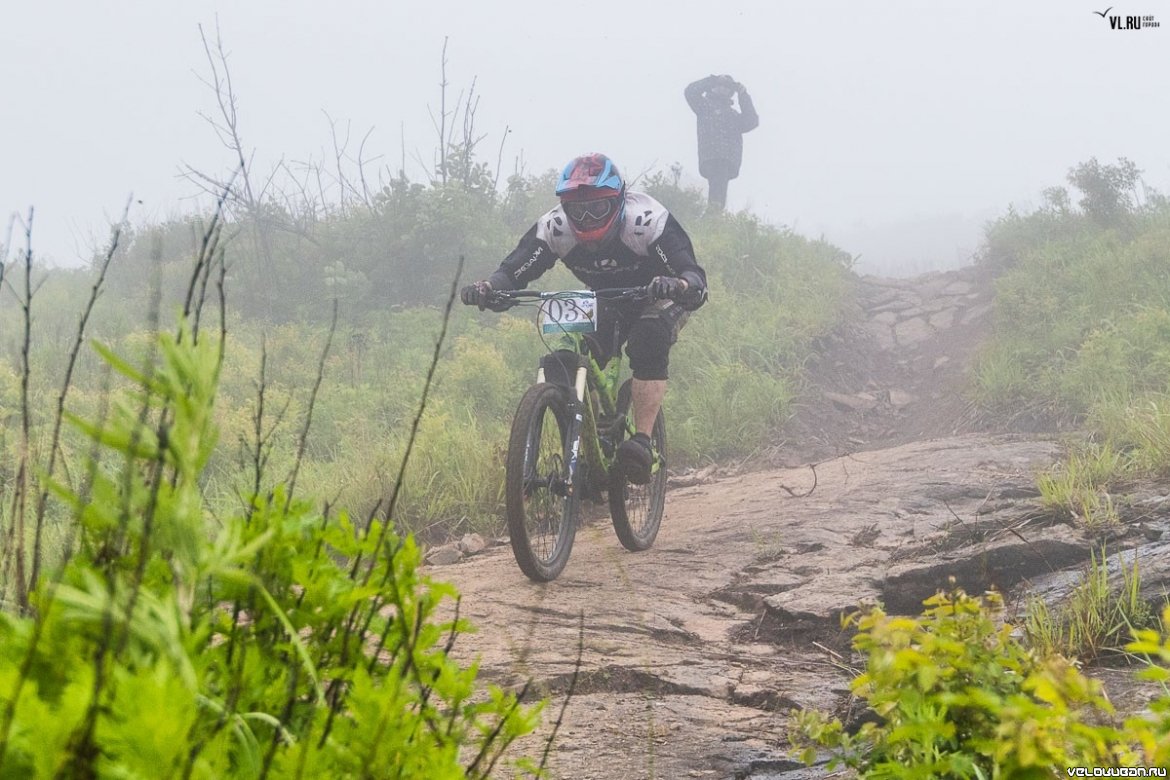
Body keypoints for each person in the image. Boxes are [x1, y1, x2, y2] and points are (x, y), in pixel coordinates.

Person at [461, 153, 708, 484]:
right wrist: (488, 288)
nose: (587, 218)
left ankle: (642, 442)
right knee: (563, 358)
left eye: (598, 208)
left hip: (662, 295)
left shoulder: (647, 221)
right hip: (607, 299)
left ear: (618, 201)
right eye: (578, 210)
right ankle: (583, 448)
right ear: (566, 208)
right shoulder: (555, 227)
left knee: (649, 338)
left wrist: (678, 284)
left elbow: (692, 274)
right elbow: (513, 271)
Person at [684, 74, 759, 211]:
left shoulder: (734, 115)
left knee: (719, 189)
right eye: (720, 85)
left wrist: (743, 96)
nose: (723, 89)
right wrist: (712, 79)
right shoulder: (705, 106)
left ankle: (713, 217)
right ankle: (713, 218)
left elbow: (752, 121)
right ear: (713, 88)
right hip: (712, 156)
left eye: (727, 87)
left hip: (727, 159)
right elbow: (690, 91)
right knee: (717, 189)